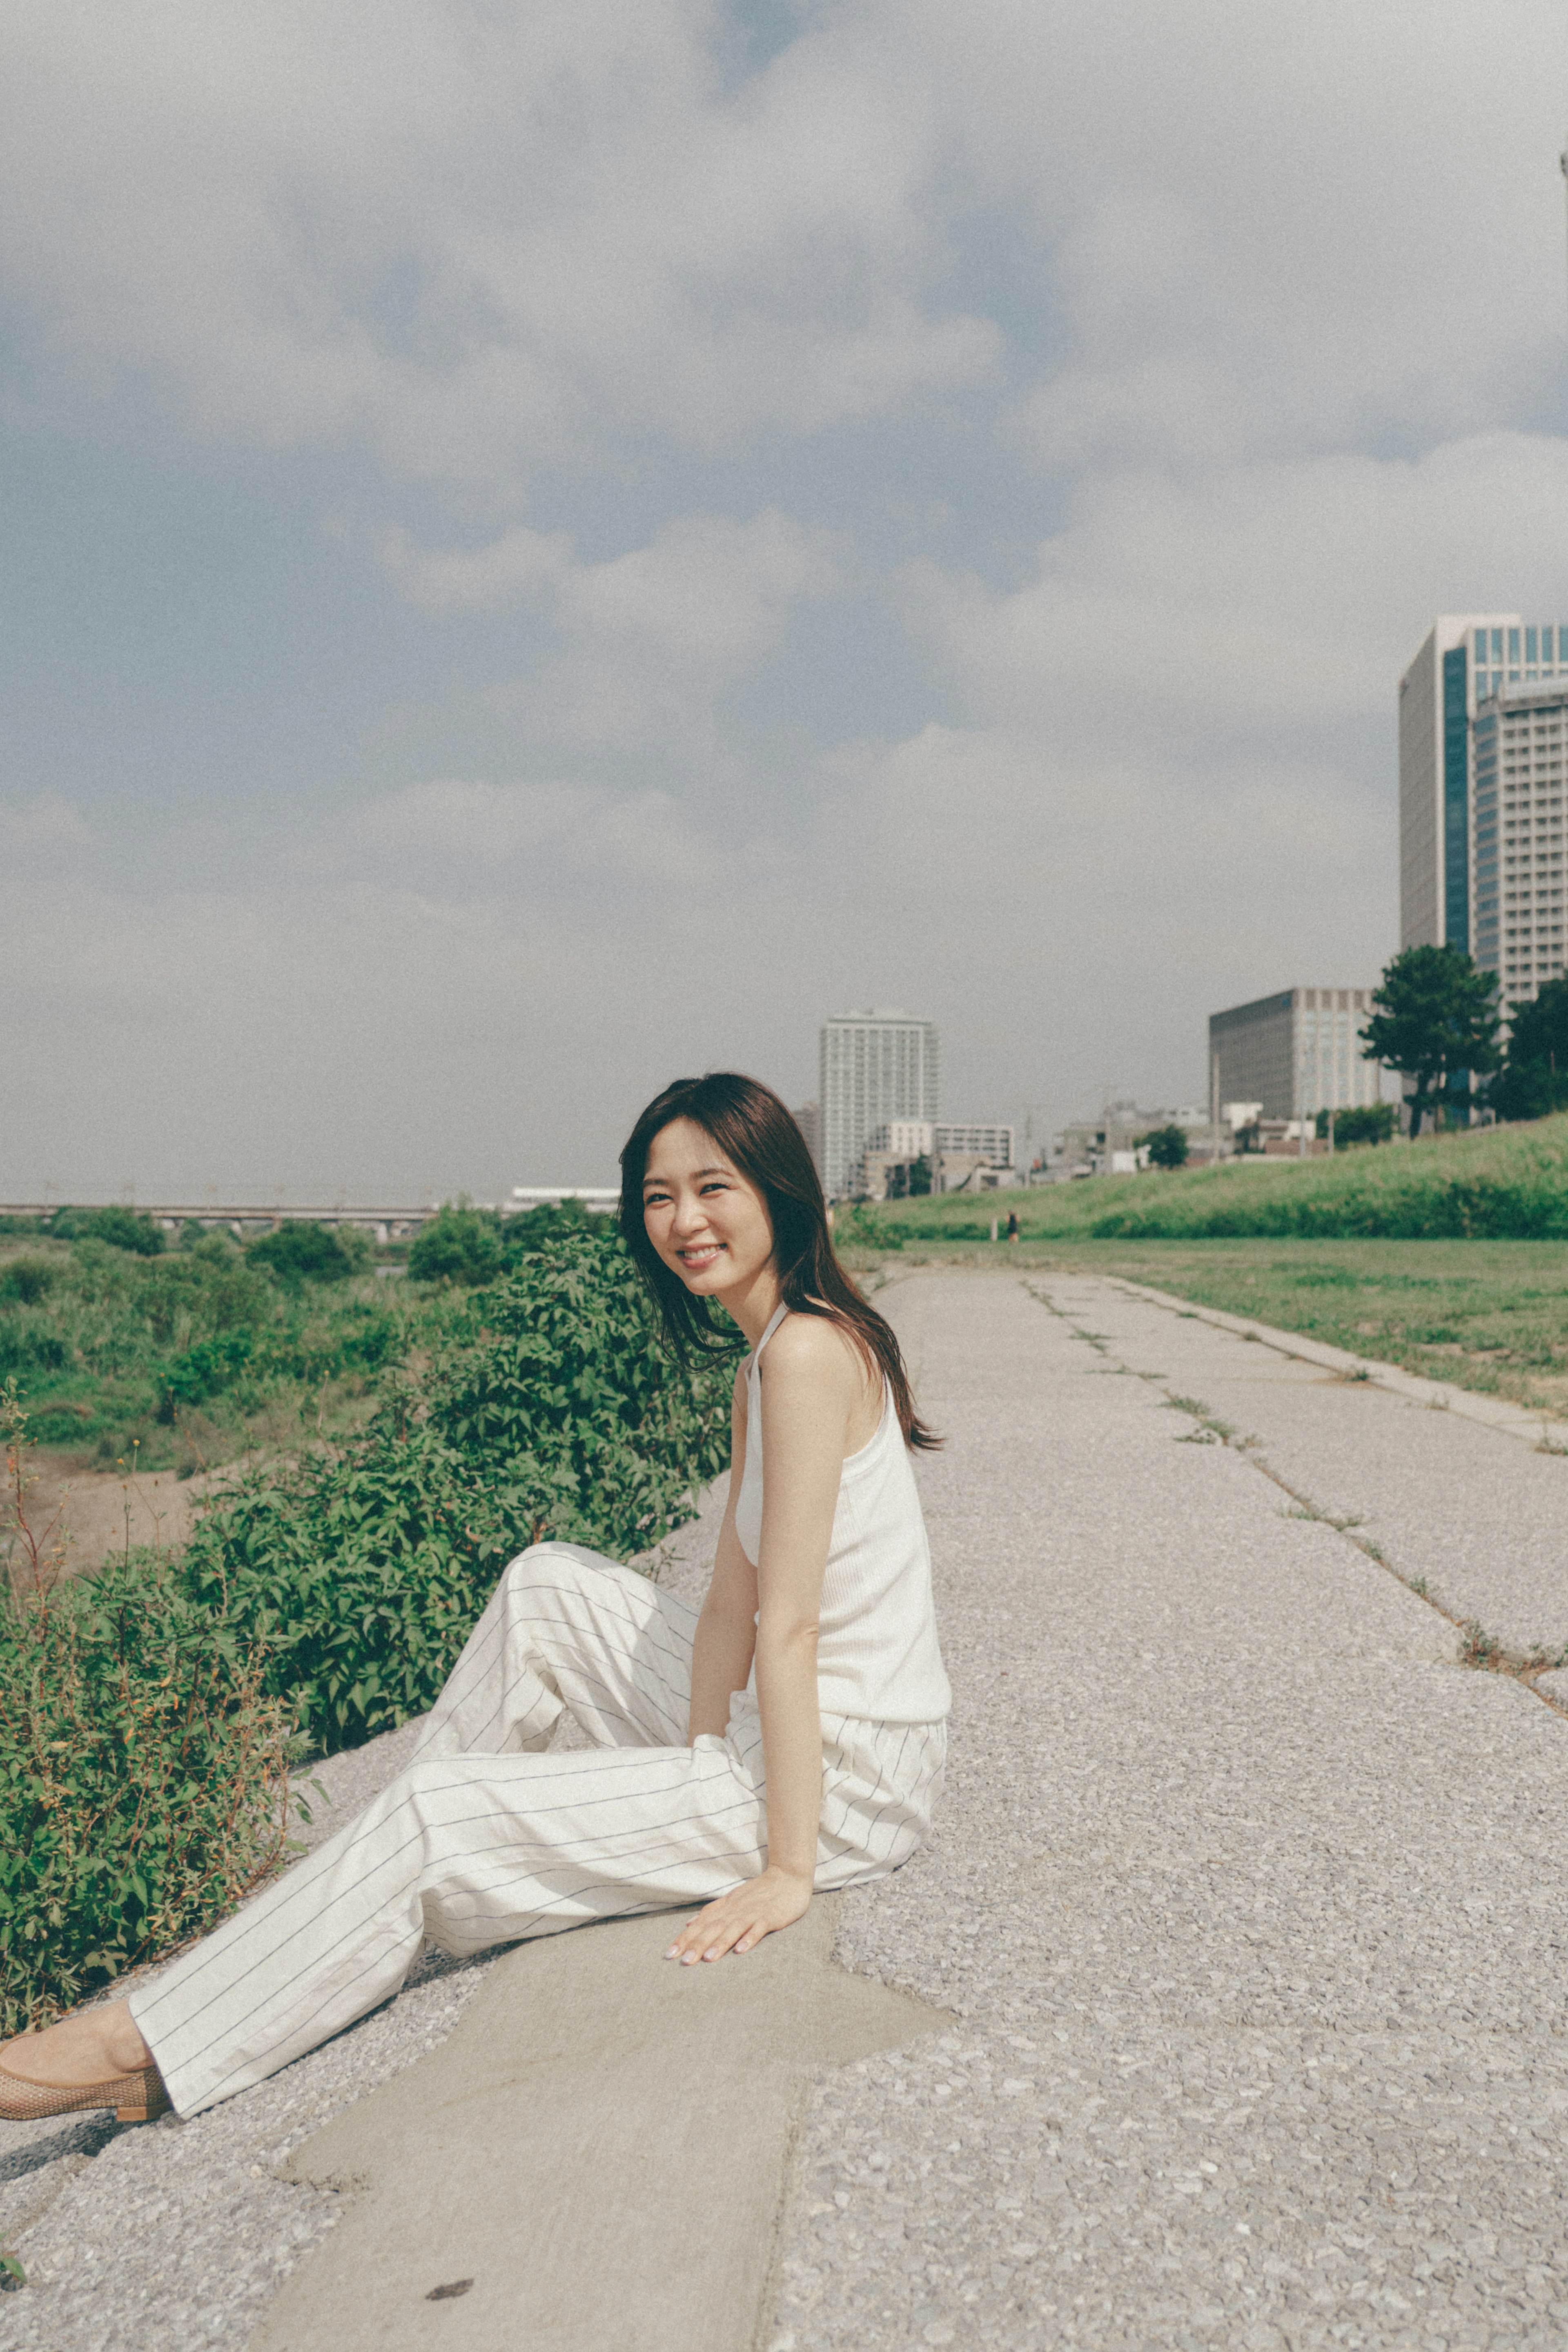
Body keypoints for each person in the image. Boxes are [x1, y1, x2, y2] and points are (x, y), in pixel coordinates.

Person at [0, 1073, 950, 2127]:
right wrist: (689, 1764)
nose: (683, 1222)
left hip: (844, 1775)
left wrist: (784, 1869)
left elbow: (795, 1624)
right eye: (655, 1196)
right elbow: (732, 1596)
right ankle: (351, 1900)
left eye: (711, 1187)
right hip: (791, 1734)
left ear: (780, 1189)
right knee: (546, 1588)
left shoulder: (812, 1351)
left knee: (439, 1813)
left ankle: (139, 2043)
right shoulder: (766, 1358)